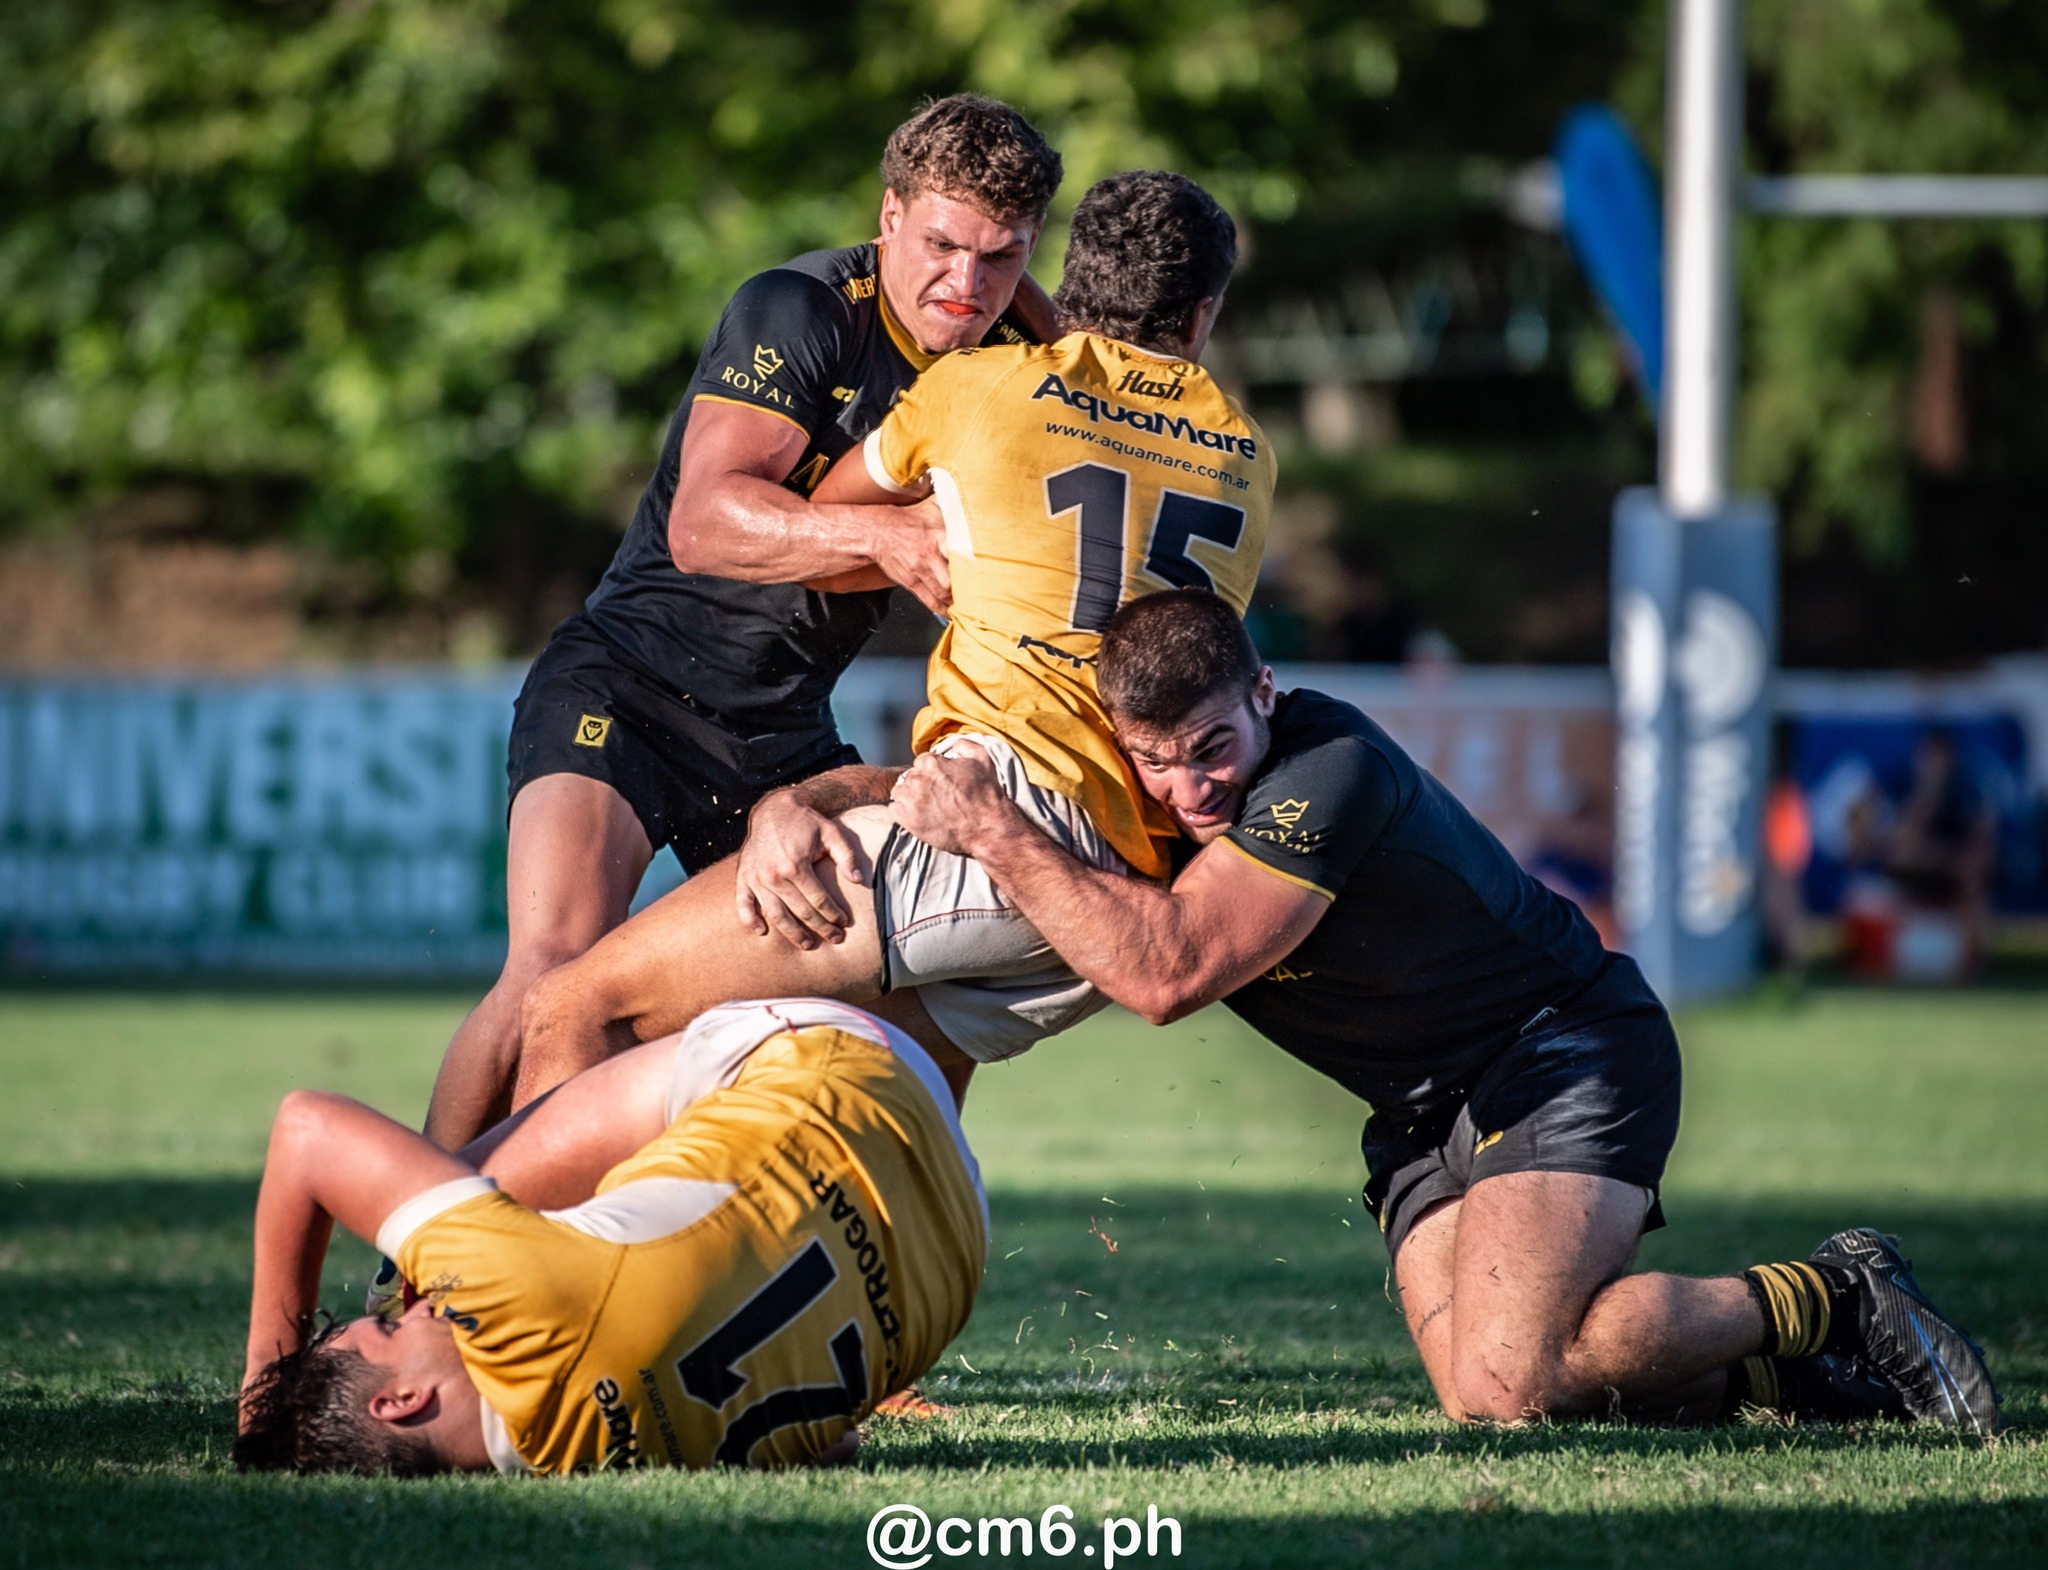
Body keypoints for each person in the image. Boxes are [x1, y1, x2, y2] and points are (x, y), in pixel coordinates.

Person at [888, 588, 2001, 1434]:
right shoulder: (1163, 789)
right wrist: (828, 801)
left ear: (1264, 692)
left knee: (1513, 1383)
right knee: (1493, 1399)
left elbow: (1169, 974)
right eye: (1155, 764)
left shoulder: (1329, 769)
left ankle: (1841, 1295)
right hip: (1422, 1114)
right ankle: (1796, 1376)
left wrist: (992, 830)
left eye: (1212, 748)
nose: (1191, 790)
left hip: (1559, 1049)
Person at [507, 171, 1274, 1107]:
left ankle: (451, 1209)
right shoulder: (1245, 452)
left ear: (1060, 271)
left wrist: (925, 536)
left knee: (573, 1003)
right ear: (1201, 316)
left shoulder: (980, 387)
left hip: (995, 815)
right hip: (1117, 888)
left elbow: (823, 539)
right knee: (864, 1086)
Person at [422, 95, 1064, 1150]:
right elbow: (702, 524)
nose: (966, 282)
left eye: (1001, 256)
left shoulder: (1022, 348)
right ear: (889, 215)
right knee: (552, 970)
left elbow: (1105, 386)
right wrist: (884, 537)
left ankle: (878, 1229)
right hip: (627, 684)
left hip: (780, 735)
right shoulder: (800, 309)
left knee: (904, 993)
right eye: (943, 245)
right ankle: (413, 1235)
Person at [235, 998, 985, 1475]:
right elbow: (306, 1128)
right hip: (853, 1067)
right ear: (401, 1401)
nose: (420, 1312)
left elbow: (836, 1444)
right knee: (574, 997)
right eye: (393, 1331)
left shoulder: (596, 1460)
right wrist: (260, 1405)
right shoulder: (520, 1297)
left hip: (953, 1250)